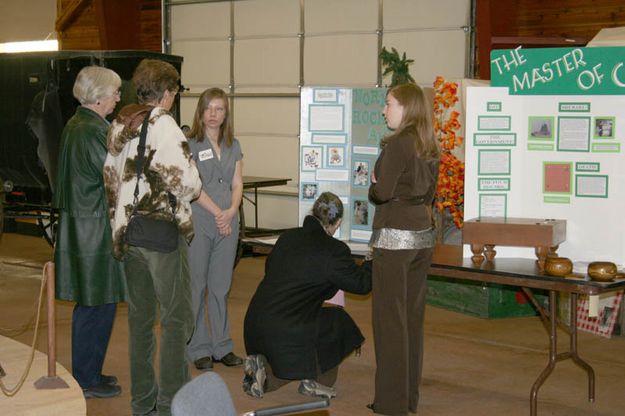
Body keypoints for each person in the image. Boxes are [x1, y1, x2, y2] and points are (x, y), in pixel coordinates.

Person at [103, 59, 202, 416]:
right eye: (173, 91)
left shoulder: (121, 124)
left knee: (141, 323)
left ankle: (142, 403)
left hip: (129, 235)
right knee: (176, 321)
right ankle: (171, 402)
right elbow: (186, 182)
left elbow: (110, 180)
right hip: (161, 234)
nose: (174, 98)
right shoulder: (165, 125)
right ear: (166, 92)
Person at [243, 192, 372, 399]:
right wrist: (371, 261)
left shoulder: (287, 237)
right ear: (337, 222)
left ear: (313, 212)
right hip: (287, 331)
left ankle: (264, 374)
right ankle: (317, 383)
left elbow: (272, 271)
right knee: (337, 322)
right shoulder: (334, 250)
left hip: (255, 324)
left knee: (297, 344)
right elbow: (362, 284)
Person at [52, 65, 126, 399]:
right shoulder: (90, 130)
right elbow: (113, 177)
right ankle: (85, 377)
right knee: (95, 304)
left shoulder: (81, 124)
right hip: (92, 228)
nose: (118, 98)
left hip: (88, 225)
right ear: (99, 96)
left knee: (100, 302)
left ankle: (91, 371)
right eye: (115, 91)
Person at [367, 83, 440, 416]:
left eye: (390, 104)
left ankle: (391, 403)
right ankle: (408, 398)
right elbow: (429, 195)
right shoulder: (428, 144)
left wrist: (373, 183)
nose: (385, 110)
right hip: (422, 235)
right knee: (412, 320)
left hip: (395, 237)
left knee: (389, 322)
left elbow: (381, 192)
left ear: (407, 109)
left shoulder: (399, 144)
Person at [185, 88, 244, 371]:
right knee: (197, 286)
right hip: (201, 218)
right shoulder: (190, 144)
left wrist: (231, 211)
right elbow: (192, 187)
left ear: (225, 114)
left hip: (228, 221)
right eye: (209, 108)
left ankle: (222, 346)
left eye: (219, 109)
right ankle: (198, 348)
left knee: (221, 287)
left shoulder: (234, 145)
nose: (213, 114)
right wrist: (218, 212)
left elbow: (238, 182)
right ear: (200, 111)